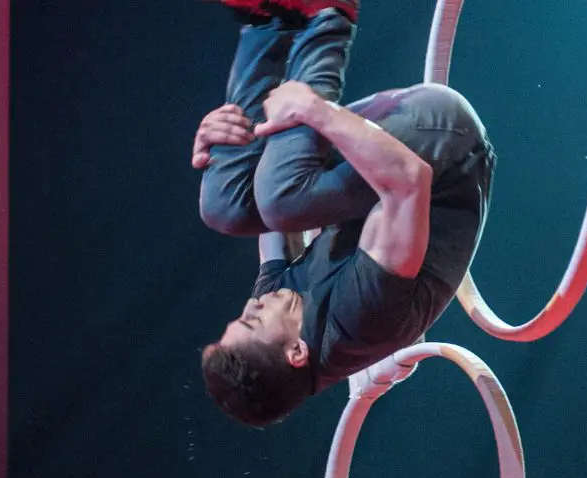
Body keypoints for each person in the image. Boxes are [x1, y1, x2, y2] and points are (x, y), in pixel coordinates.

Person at [195, 0, 496, 427]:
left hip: (384, 162)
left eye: (242, 314)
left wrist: (223, 143)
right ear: (296, 351)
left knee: (224, 208)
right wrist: (314, 110)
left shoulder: (280, 302)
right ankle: (328, 13)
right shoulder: (359, 321)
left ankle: (266, 22)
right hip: (446, 144)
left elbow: (255, 203)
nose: (253, 303)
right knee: (282, 200)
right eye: (253, 319)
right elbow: (409, 181)